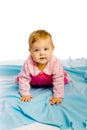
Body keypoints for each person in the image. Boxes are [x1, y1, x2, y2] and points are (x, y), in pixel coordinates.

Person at [16, 29, 70, 105]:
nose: (42, 53)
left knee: (60, 77)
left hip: (50, 81)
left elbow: (58, 80)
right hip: (34, 81)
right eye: (37, 50)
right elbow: (24, 79)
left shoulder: (55, 63)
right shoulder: (28, 63)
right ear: (30, 51)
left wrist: (58, 96)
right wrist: (25, 94)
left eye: (45, 49)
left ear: (52, 49)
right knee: (21, 77)